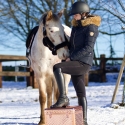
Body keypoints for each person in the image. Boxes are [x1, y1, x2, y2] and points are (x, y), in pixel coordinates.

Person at [50, 1, 101, 125]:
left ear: (83, 13)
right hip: (76, 62)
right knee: (80, 93)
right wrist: (57, 46)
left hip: (83, 63)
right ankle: (83, 121)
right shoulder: (76, 27)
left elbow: (88, 48)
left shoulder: (91, 27)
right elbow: (72, 45)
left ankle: (63, 98)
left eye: (76, 14)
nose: (74, 16)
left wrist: (71, 58)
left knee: (57, 68)